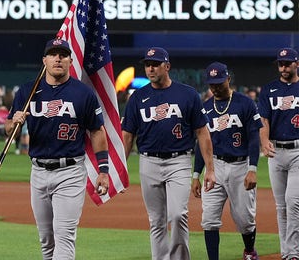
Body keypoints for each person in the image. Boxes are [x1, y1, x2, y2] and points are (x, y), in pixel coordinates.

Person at [5, 39, 110, 260]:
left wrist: (103, 169)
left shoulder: (83, 93)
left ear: (71, 61)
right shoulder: (27, 91)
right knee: (46, 240)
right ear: (45, 60)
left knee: (64, 235)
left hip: (70, 171)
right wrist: (14, 122)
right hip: (39, 171)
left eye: (63, 54)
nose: (58, 58)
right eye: (53, 54)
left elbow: (97, 131)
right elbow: (8, 130)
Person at [121, 47, 216, 260]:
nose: (151, 68)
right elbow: (128, 136)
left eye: (155, 64)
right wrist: (120, 168)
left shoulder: (187, 94)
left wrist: (209, 169)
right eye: (147, 64)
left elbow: (202, 132)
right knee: (156, 220)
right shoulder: (138, 97)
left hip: (179, 160)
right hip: (148, 161)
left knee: (178, 214)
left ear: (167, 66)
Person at [191, 62, 262, 260]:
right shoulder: (204, 108)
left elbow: (254, 137)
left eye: (219, 83)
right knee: (209, 219)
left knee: (245, 219)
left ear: (228, 79)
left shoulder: (245, 103)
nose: (215, 87)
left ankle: (249, 251)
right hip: (214, 166)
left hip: (240, 166)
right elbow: (201, 145)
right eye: (211, 84)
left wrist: (253, 168)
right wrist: (196, 174)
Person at [259, 47, 299, 260]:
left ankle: (293, 252)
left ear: (297, 64)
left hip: (298, 151)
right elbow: (263, 119)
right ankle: (287, 252)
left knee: (293, 202)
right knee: (281, 206)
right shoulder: (269, 90)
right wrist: (264, 141)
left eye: (287, 63)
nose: (283, 67)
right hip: (275, 151)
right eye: (280, 64)